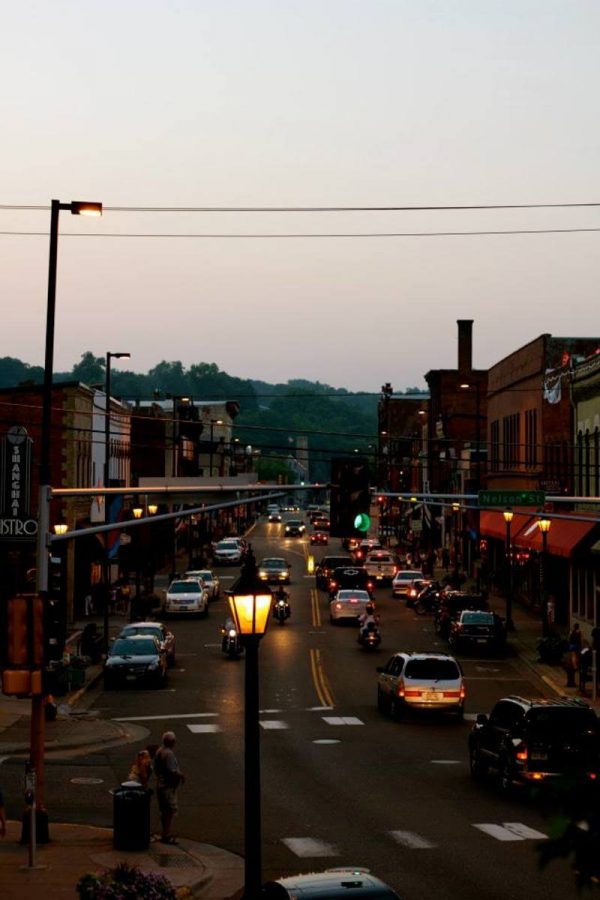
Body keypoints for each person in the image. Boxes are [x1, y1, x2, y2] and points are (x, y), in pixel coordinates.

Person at [153, 731, 185, 844]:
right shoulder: (169, 754)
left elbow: (156, 769)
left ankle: (165, 833)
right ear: (172, 742)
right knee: (169, 811)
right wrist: (181, 776)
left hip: (160, 785)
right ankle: (167, 834)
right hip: (167, 787)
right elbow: (172, 771)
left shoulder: (159, 751)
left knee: (164, 811)